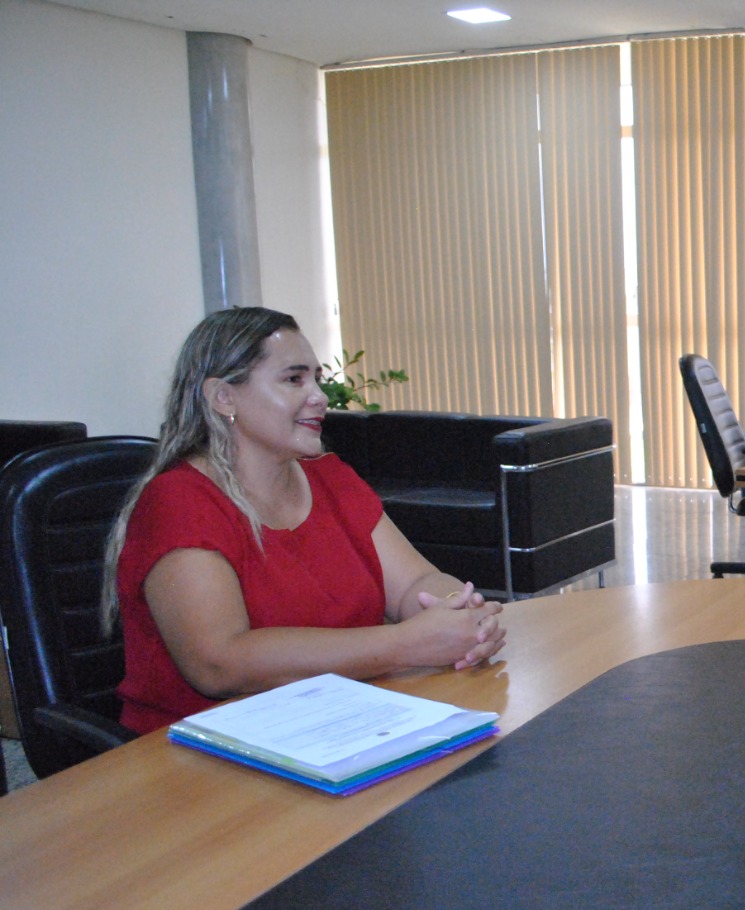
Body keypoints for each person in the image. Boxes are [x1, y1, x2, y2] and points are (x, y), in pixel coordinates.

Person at [103, 307, 506, 734]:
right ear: (224, 397)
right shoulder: (179, 501)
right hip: (205, 746)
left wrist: (459, 615)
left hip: (339, 721)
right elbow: (220, 663)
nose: (320, 396)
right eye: (294, 380)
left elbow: (413, 583)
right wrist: (406, 644)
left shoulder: (330, 478)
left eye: (316, 378)